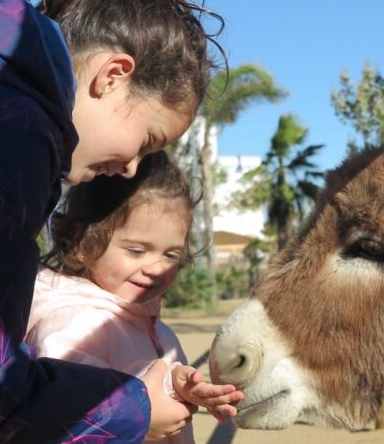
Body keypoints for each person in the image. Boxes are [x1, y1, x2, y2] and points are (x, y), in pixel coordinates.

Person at [0, 0, 227, 441]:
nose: (132, 168)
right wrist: (136, 410)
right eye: (148, 140)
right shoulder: (2, 136)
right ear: (112, 76)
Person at [25, 152, 240, 444]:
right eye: (136, 251)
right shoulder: (75, 323)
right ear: (78, 240)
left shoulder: (152, 327)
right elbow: (65, 419)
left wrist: (178, 385)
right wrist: (139, 419)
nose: (155, 268)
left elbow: (136, 378)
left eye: (171, 254)